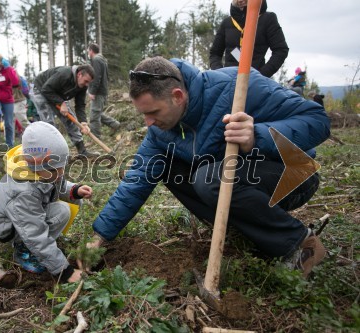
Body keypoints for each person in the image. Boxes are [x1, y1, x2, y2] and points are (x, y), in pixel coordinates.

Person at [84, 57, 330, 279]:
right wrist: (99, 237)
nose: (148, 122)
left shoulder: (238, 87)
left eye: (153, 112)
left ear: (177, 96)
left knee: (209, 178)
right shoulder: (160, 131)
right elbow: (136, 180)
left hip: (291, 174)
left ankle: (300, 244)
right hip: (239, 182)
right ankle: (246, 229)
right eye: (143, 114)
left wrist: (258, 135)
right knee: (166, 166)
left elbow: (317, 121)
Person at [0, 121, 92, 283]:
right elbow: (34, 233)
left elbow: (58, 184)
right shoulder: (22, 192)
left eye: (62, 166)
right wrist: (64, 271)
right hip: (9, 227)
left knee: (68, 207)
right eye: (54, 169)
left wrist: (74, 190)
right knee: (59, 213)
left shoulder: (45, 172)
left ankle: (45, 248)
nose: (60, 173)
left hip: (28, 213)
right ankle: (24, 250)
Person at [30, 64, 97, 157]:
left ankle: (82, 151)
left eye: (88, 83)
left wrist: (83, 122)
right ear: (79, 74)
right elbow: (46, 89)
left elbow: (80, 105)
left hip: (56, 93)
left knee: (70, 119)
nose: (86, 85)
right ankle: (55, 154)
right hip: (40, 89)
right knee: (49, 123)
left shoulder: (83, 86)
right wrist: (61, 103)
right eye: (86, 81)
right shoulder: (64, 74)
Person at [209, 0, 288, 78]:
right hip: (228, 83)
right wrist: (221, 75)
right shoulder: (227, 23)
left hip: (255, 84)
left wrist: (260, 76)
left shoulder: (268, 19)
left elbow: (281, 50)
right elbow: (215, 54)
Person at [87, 43, 120, 138]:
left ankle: (95, 137)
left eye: (88, 51)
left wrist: (92, 91)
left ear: (91, 51)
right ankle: (114, 124)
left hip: (98, 92)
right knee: (97, 113)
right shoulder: (102, 59)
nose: (88, 53)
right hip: (102, 91)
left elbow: (97, 77)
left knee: (94, 116)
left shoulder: (96, 60)